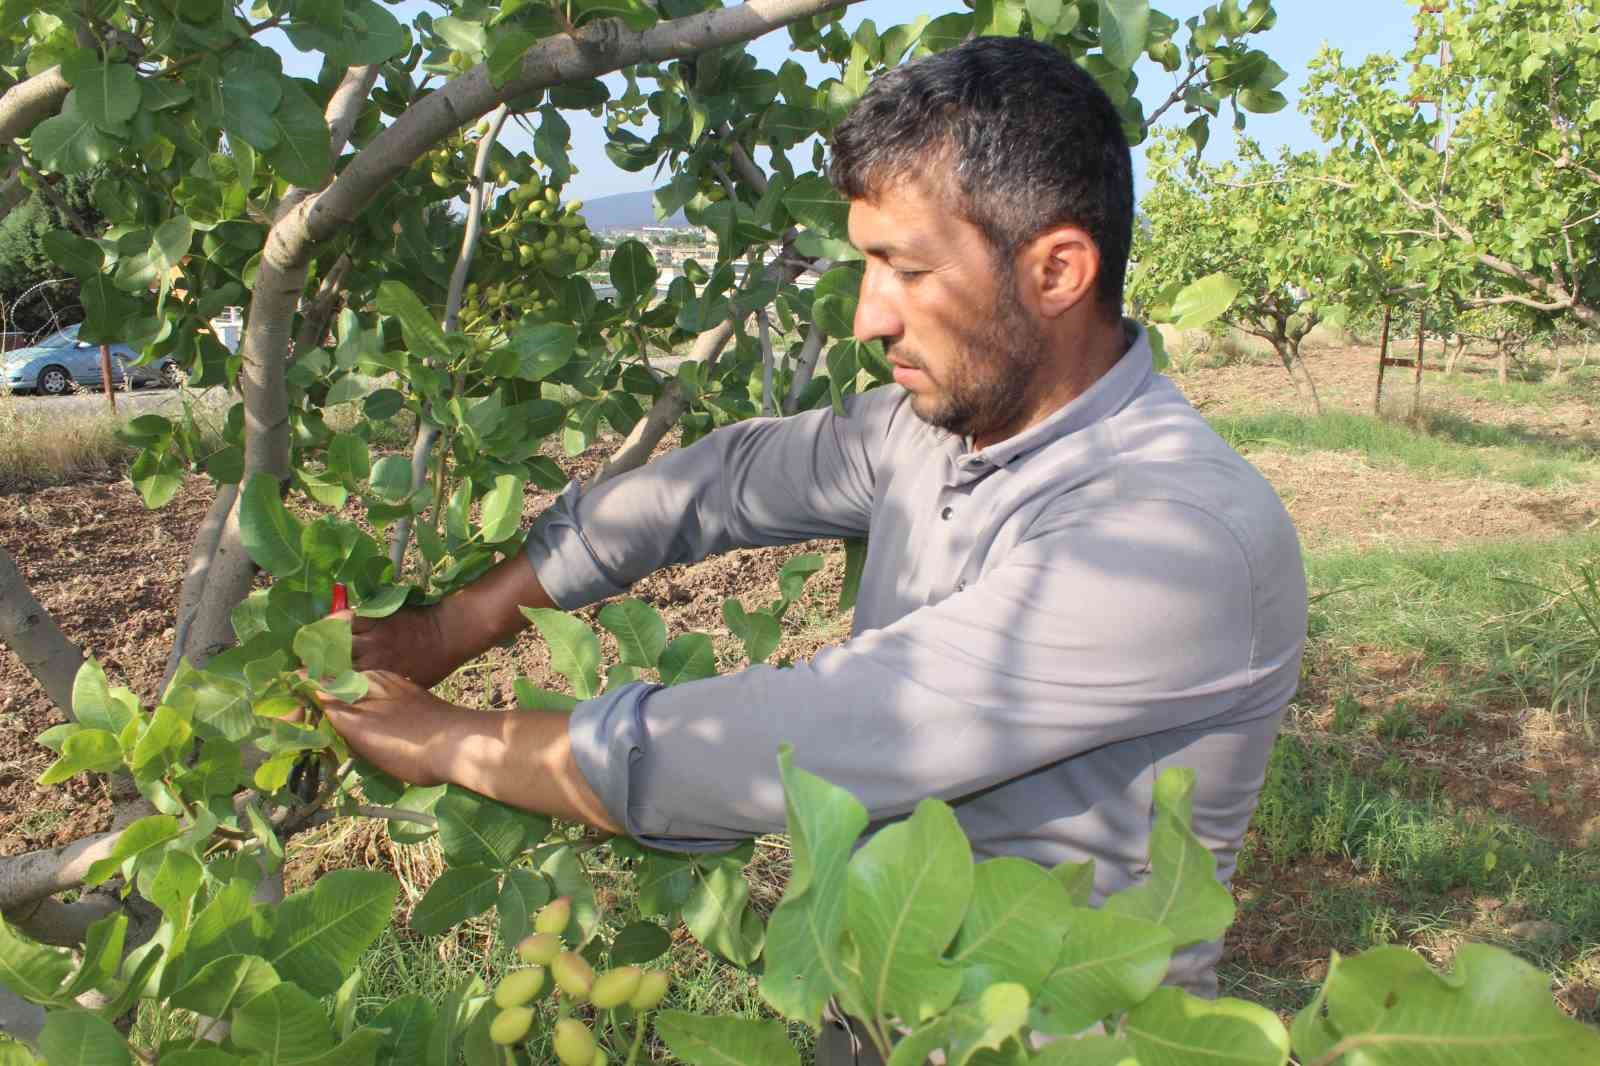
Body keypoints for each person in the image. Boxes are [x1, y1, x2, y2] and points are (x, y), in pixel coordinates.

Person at [318, 35, 1306, 1063]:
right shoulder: (931, 429)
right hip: (876, 1016)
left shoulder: (1173, 541)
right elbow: (716, 485)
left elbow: (811, 738)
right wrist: (452, 624)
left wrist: (445, 741)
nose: (866, 314)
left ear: (1056, 269)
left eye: (905, 268)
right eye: (865, 260)